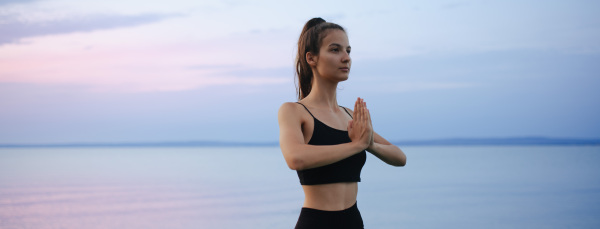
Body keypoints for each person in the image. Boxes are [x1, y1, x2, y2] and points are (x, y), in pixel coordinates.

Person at [278, 17, 407, 229]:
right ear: (311, 58)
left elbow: (400, 158)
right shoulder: (294, 111)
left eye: (348, 50)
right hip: (317, 223)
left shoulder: (350, 115)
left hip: (353, 221)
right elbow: (295, 159)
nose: (346, 58)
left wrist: (369, 144)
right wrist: (355, 145)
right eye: (335, 50)